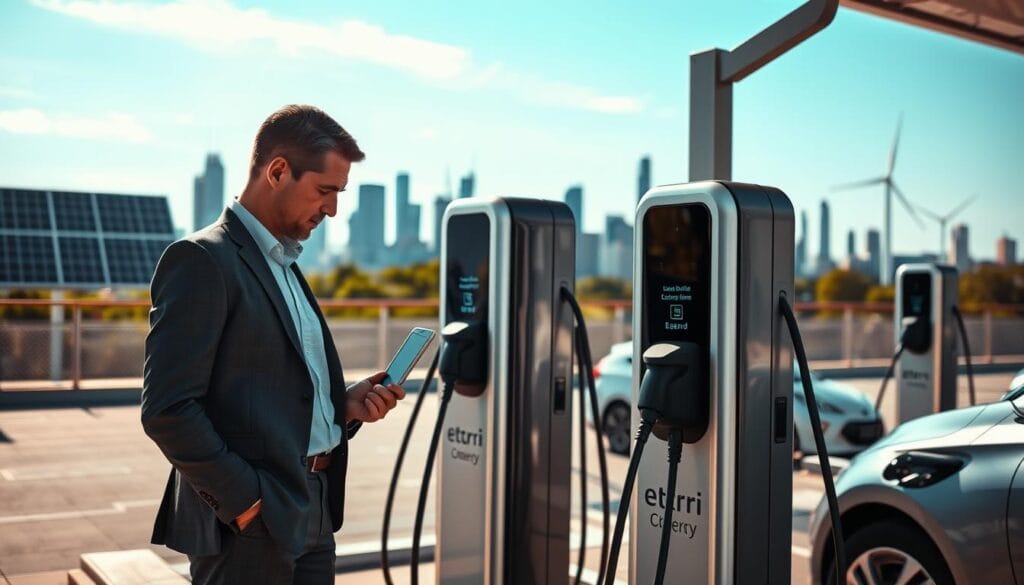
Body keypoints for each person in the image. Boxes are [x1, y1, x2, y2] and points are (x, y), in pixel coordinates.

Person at [141, 104, 406, 585]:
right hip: (250, 522)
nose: (332, 209)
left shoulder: (285, 263)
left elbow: (270, 389)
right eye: (325, 191)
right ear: (278, 171)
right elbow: (168, 409)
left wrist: (341, 407)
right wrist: (246, 504)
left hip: (317, 503)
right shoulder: (201, 260)